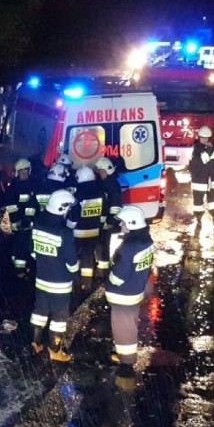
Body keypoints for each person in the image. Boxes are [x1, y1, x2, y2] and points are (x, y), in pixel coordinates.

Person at [105, 205, 154, 385]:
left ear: (132, 224)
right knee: (128, 326)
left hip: (123, 295)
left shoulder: (129, 247)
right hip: (135, 291)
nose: (122, 227)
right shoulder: (146, 240)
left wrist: (108, 280)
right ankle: (125, 357)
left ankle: (126, 366)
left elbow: (119, 275)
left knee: (123, 328)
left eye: (124, 224)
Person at [30, 189, 79, 361]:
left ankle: (35, 343)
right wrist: (75, 272)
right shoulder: (63, 232)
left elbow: (34, 252)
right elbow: (71, 261)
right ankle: (54, 350)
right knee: (59, 316)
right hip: (60, 283)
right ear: (62, 208)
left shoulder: (38, 224)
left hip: (41, 279)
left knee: (40, 311)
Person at [66, 164, 104, 300]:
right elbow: (103, 211)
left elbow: (74, 214)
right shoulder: (99, 192)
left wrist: (68, 226)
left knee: (74, 257)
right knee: (88, 257)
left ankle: (75, 283)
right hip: (94, 231)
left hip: (78, 233)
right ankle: (87, 284)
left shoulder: (78, 194)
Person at [1, 158, 38, 278]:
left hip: (31, 223)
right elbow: (11, 208)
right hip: (19, 224)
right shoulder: (13, 188)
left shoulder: (33, 184)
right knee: (20, 247)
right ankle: (19, 271)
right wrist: (18, 222)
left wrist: (30, 219)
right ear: (17, 172)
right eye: (22, 171)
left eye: (26, 171)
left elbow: (34, 204)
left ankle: (33, 268)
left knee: (31, 246)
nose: (24, 174)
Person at [189, 126, 214, 227]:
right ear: (199, 137)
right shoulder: (195, 148)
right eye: (202, 138)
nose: (205, 140)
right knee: (198, 201)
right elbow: (197, 161)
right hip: (199, 179)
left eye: (207, 138)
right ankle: (198, 218)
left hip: (212, 179)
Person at [94, 156, 123, 282]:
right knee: (101, 245)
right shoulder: (107, 182)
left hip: (107, 223)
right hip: (103, 222)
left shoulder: (112, 185)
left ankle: (103, 272)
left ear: (106, 171)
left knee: (103, 246)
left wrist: (110, 222)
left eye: (100, 171)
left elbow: (115, 206)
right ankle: (102, 269)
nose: (99, 174)